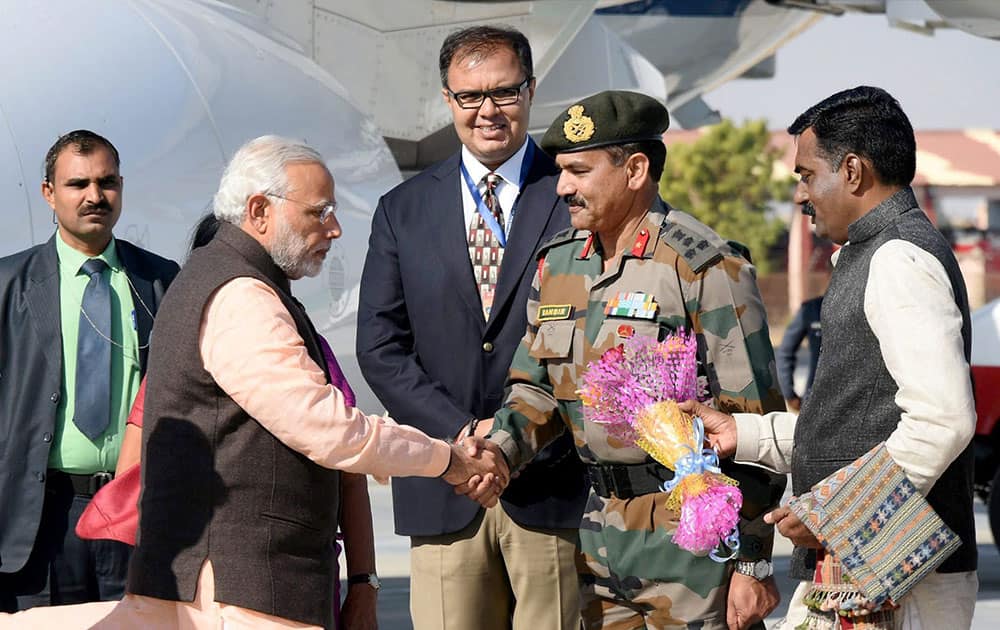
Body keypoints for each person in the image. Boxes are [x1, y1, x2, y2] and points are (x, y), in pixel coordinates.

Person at [0, 135, 506, 630]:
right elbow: (330, 429)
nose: (334, 229)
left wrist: (364, 579)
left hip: (213, 582)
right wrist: (448, 459)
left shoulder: (198, 277)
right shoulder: (241, 295)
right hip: (239, 590)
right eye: (318, 212)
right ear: (260, 211)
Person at [472, 90, 787, 630]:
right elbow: (537, 388)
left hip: (693, 539)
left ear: (635, 169)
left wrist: (753, 560)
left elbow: (751, 420)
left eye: (578, 170)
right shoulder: (559, 262)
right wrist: (498, 450)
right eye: (561, 171)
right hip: (598, 535)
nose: (562, 186)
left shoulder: (705, 267)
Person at [683, 86, 978, 629]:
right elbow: (863, 419)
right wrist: (744, 435)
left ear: (852, 171)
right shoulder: (871, 253)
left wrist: (834, 517)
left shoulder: (898, 258)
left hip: (899, 581)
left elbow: (942, 421)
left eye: (805, 174)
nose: (801, 195)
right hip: (866, 568)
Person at [356, 25, 587, 630]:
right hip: (443, 486)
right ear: (447, 100)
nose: (488, 111)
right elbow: (380, 348)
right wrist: (464, 432)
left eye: (505, 93)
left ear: (532, 91)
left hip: (554, 486)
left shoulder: (576, 197)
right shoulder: (402, 210)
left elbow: (604, 338)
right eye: (469, 96)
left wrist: (514, 437)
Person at [0, 130, 180, 612]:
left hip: (133, 515)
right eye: (77, 184)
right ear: (48, 193)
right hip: (40, 522)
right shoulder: (8, 285)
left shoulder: (162, 282)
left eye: (107, 183)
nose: (94, 197)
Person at [775, 294, 822, 411]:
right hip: (815, 401)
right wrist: (789, 394)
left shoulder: (866, 305)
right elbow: (785, 352)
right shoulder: (812, 308)